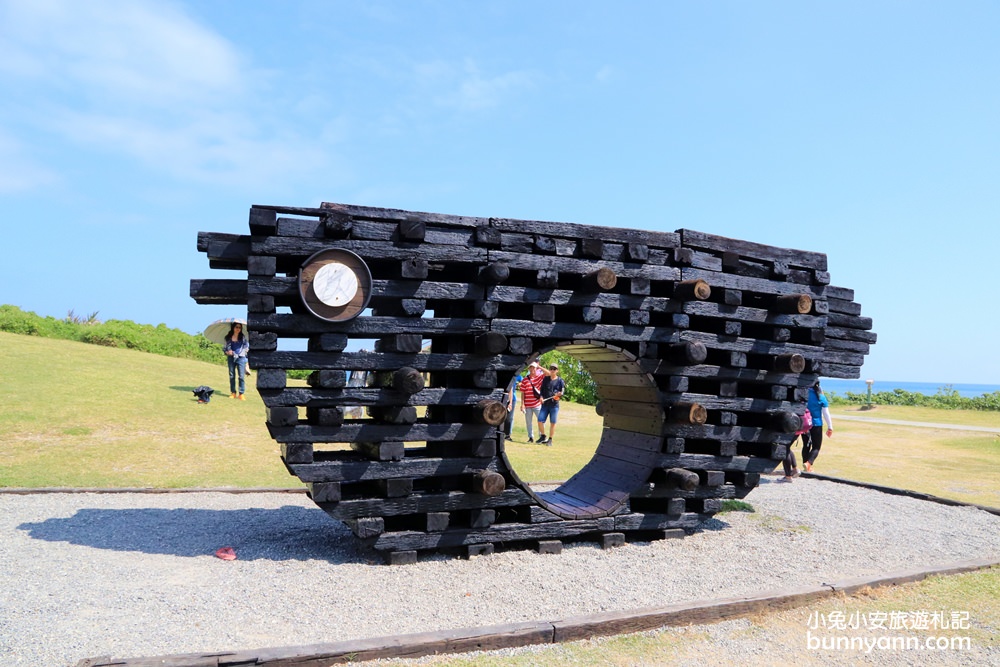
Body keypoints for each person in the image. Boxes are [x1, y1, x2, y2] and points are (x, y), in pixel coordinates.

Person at [802, 381, 834, 471]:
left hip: (804, 423)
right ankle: (808, 463)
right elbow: (826, 413)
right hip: (816, 424)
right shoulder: (821, 397)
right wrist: (830, 427)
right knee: (816, 447)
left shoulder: (803, 394)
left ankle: (806, 465)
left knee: (806, 445)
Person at [536, 363, 566, 446]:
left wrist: (559, 395)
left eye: (554, 369)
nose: (552, 370)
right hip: (545, 404)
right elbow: (541, 390)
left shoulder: (560, 381)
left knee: (553, 422)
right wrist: (541, 397)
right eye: (551, 368)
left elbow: (562, 392)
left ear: (557, 370)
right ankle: (543, 436)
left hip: (554, 405)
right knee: (540, 420)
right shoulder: (546, 379)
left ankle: (550, 439)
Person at [780, 406, 810, 481]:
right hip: (799, 427)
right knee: (787, 448)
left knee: (784, 450)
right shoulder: (801, 404)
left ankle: (788, 476)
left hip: (791, 427)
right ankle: (795, 469)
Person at [224, 322, 250, 400]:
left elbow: (246, 347)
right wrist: (227, 352)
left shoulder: (243, 338)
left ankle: (241, 393)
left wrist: (246, 352)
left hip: (241, 358)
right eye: (236, 327)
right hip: (231, 358)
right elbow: (224, 349)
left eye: (239, 327)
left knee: (241, 376)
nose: (238, 329)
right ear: (233, 328)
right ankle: (233, 392)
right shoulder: (228, 338)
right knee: (232, 376)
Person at [519, 362, 544, 442]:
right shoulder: (525, 380)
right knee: (528, 422)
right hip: (528, 404)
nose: (532, 369)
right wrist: (522, 404)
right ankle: (530, 437)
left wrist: (540, 366)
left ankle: (542, 436)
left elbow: (548, 374)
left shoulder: (539, 378)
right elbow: (523, 393)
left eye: (534, 368)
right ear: (529, 369)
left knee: (540, 420)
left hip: (537, 404)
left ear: (536, 369)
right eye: (531, 367)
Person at [503, 374, 522, 441]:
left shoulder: (515, 377)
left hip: (511, 399)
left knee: (509, 418)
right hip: (502, 399)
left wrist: (510, 403)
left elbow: (510, 390)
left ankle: (507, 435)